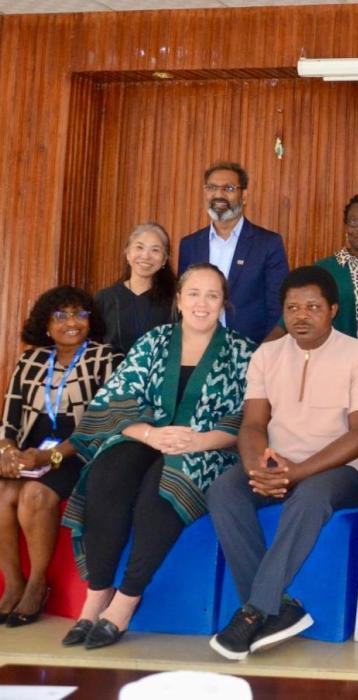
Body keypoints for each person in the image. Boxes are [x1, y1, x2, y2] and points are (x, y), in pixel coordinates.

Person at [61, 264, 255, 650]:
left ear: (224, 303)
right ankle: (96, 593)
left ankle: (127, 599)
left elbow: (248, 418)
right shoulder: (154, 341)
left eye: (212, 295)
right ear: (179, 300)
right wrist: (151, 434)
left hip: (206, 451)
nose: (202, 303)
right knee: (107, 475)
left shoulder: (242, 352)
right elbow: (115, 400)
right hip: (146, 435)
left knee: (162, 490)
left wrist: (198, 442)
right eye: (194, 294)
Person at [207, 267, 358, 661]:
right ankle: (279, 605)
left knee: (310, 497)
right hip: (278, 461)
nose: (301, 316)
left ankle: (254, 611)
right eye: (292, 308)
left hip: (344, 469)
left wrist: (298, 473)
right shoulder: (267, 355)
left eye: (312, 307)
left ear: (333, 310)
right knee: (224, 491)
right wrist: (258, 467)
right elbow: (252, 425)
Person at [0, 287, 120, 627]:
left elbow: (103, 423)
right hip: (30, 450)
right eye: (61, 315)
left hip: (76, 452)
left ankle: (38, 585)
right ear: (45, 324)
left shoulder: (105, 358)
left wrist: (50, 457)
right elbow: (8, 419)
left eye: (80, 314)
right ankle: (13, 584)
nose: (72, 322)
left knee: (34, 495)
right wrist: (7, 451)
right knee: (2, 494)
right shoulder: (31, 360)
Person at [178, 161, 289, 343]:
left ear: (244, 196)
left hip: (250, 351)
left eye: (228, 188)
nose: (219, 194)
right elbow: (183, 301)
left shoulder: (268, 243)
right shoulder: (190, 245)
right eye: (212, 187)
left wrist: (265, 353)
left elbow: (277, 306)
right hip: (198, 349)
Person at [267, 194, 358, 344]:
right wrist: (261, 356)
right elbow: (287, 323)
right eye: (354, 221)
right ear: (346, 227)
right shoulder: (323, 270)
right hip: (337, 361)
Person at [94, 222, 176, 355]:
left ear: (164, 259)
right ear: (127, 253)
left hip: (159, 374)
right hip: (113, 374)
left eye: (155, 250)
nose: (145, 256)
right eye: (139, 247)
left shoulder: (176, 301)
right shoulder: (104, 298)